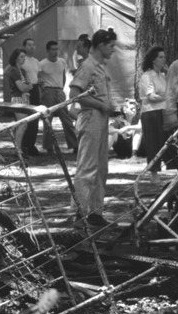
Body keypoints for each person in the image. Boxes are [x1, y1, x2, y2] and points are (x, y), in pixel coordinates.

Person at [69, 28, 121, 227]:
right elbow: (75, 94)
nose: (113, 50)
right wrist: (100, 104)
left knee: (101, 169)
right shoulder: (88, 66)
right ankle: (80, 213)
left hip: (101, 120)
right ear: (100, 45)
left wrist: (110, 108)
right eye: (110, 46)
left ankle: (95, 213)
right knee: (87, 168)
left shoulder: (100, 67)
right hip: (90, 119)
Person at [34, 39, 78, 155]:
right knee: (48, 119)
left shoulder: (62, 62)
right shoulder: (42, 64)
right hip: (48, 92)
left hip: (60, 92)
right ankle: (49, 147)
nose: (55, 52)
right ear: (48, 51)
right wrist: (42, 86)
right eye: (53, 49)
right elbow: (37, 78)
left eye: (57, 49)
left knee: (67, 120)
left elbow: (63, 76)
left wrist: (61, 89)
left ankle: (74, 145)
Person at [136, 45, 173, 177]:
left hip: (163, 111)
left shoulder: (163, 76)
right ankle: (154, 172)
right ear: (153, 60)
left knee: (168, 140)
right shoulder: (147, 76)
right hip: (151, 113)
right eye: (160, 57)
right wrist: (167, 98)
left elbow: (171, 90)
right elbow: (151, 97)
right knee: (153, 141)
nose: (164, 59)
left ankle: (171, 168)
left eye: (164, 57)